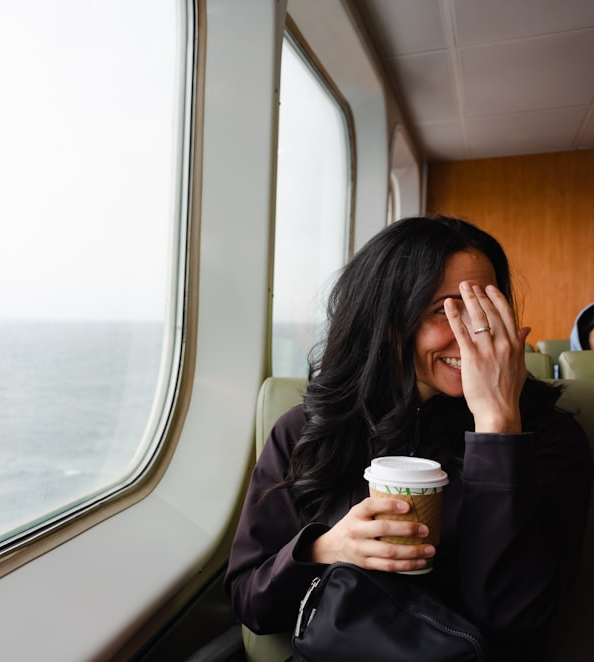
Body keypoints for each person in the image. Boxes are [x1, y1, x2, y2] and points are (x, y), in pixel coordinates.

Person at [225, 216, 592, 661]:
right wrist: (326, 548)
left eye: (487, 309)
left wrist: (497, 424)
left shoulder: (548, 437)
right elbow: (252, 603)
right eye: (447, 310)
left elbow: (515, 620)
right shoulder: (308, 429)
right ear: (389, 322)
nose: (474, 335)